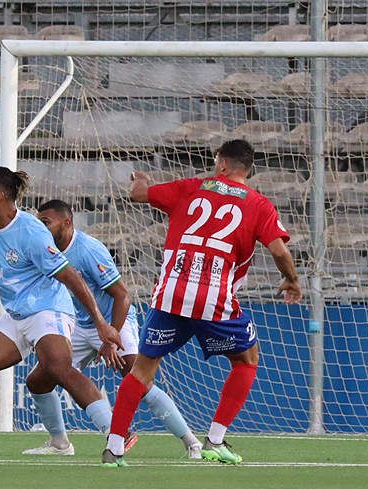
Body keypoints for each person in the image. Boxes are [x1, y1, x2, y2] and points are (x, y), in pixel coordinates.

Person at [101, 139, 302, 467]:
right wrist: (292, 280)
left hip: (169, 294)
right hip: (213, 298)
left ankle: (114, 448)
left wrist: (142, 184)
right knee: (247, 358)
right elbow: (279, 250)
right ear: (246, 169)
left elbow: (138, 195)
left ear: (222, 164)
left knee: (142, 370)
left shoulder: (189, 188)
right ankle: (215, 439)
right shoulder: (258, 204)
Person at [0, 167, 123, 459]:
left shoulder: (31, 233)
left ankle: (115, 436)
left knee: (58, 368)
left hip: (48, 308)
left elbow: (71, 277)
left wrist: (101, 323)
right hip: (18, 313)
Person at [29, 200, 202, 459]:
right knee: (38, 380)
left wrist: (111, 337)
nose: (41, 228)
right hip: (78, 324)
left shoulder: (88, 250)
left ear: (66, 223)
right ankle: (59, 442)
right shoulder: (45, 249)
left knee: (138, 378)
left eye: (46, 223)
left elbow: (122, 295)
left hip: (113, 321)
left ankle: (191, 442)